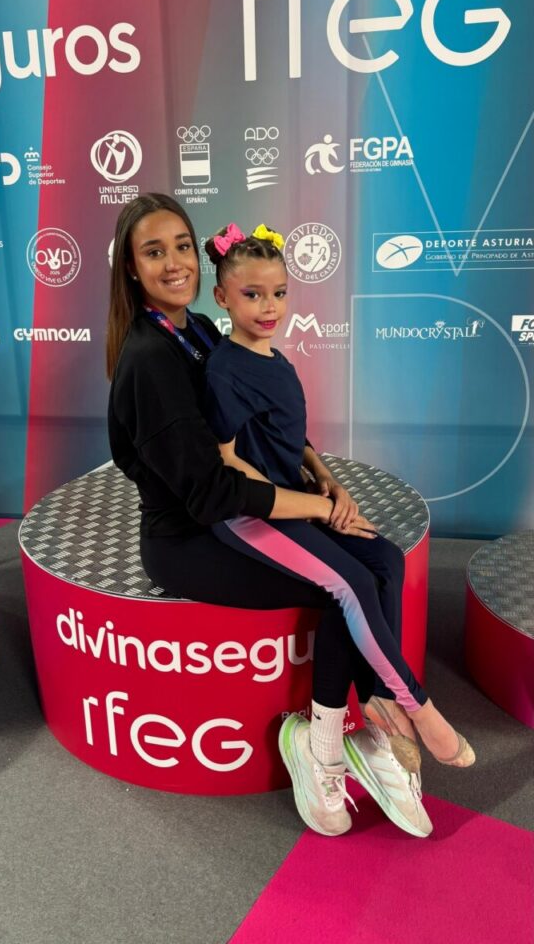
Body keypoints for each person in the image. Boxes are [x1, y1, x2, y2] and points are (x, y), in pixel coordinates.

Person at [201, 221, 476, 835]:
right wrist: (310, 507)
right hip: (251, 514)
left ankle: (369, 706)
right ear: (222, 298)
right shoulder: (223, 370)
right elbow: (227, 461)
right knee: (349, 584)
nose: (268, 307)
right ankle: (414, 707)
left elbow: (291, 439)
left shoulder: (277, 359)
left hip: (299, 498)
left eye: (278, 292)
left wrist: (331, 483)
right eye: (252, 295)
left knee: (387, 561)